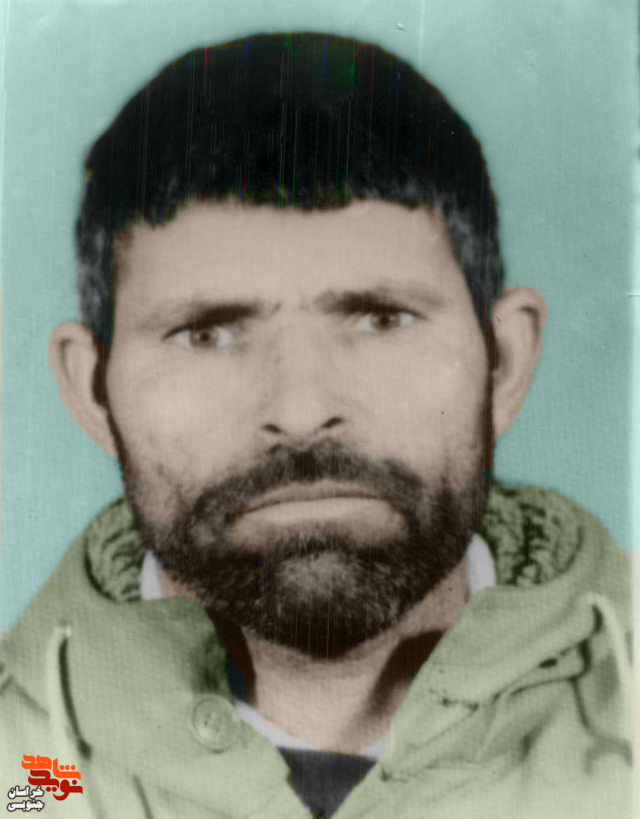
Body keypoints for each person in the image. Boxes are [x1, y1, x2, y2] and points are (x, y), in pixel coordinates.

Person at [0, 33, 632, 819]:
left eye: (380, 317)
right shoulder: (22, 775)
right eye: (206, 332)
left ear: (503, 361)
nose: (301, 413)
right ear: (93, 392)